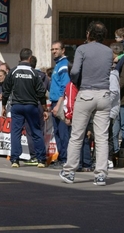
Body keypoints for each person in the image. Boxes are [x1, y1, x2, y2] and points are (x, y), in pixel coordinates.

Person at [59, 21, 113, 186]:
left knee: (77, 135)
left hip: (86, 93)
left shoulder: (82, 49)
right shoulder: (109, 51)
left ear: (88, 34)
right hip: (104, 94)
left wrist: (76, 82)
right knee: (102, 137)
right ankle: (101, 175)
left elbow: (75, 71)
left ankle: (69, 172)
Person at [2, 48, 49, 168]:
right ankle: (41, 160)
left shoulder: (12, 72)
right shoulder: (34, 73)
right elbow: (41, 92)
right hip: (31, 105)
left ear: (20, 58)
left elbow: (6, 90)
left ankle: (15, 160)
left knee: (16, 132)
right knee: (36, 131)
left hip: (16, 106)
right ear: (30, 58)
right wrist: (44, 108)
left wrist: (3, 105)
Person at [49, 41, 70, 169]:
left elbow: (65, 86)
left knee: (63, 132)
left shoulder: (63, 65)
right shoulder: (58, 65)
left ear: (63, 50)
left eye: (56, 49)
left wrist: (59, 104)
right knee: (57, 131)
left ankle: (65, 158)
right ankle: (61, 157)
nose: (54, 51)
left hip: (60, 102)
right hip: (54, 101)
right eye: (52, 49)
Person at [111, 42, 124, 166]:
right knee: (114, 127)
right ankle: (115, 150)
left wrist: (114, 87)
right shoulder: (115, 64)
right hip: (116, 100)